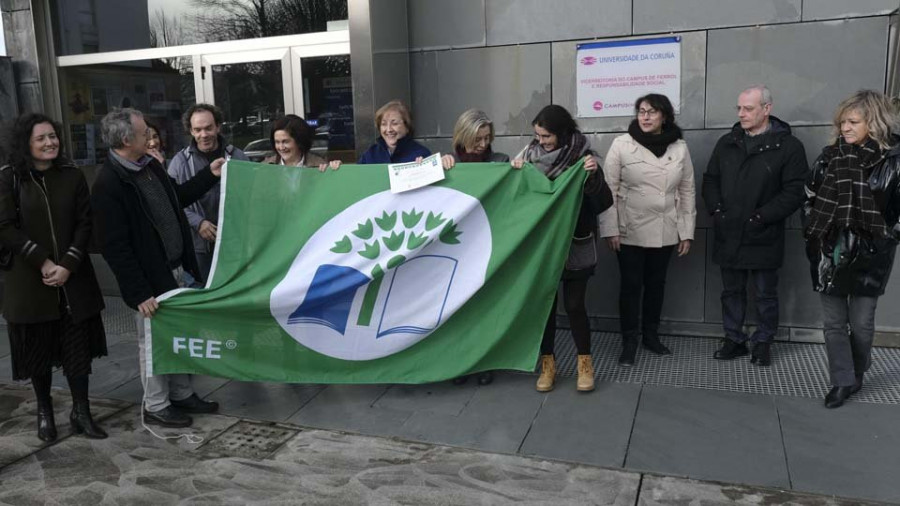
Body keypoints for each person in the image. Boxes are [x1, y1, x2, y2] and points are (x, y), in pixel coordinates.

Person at [91, 108, 224, 428]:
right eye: (143, 133)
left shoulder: (149, 165)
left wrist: (210, 174)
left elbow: (176, 197)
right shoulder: (109, 183)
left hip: (175, 271)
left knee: (176, 337)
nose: (150, 137)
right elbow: (115, 247)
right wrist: (139, 292)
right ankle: (156, 404)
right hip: (150, 282)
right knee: (152, 343)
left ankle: (180, 394)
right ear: (126, 139)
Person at [0, 113, 108, 441]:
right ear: (26, 143)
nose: (50, 143)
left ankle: (81, 411)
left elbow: (84, 223)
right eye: (41, 138)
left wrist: (68, 264)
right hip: (30, 282)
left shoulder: (71, 175)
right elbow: (5, 227)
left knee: (77, 350)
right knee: (39, 352)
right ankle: (45, 411)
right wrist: (45, 263)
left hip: (73, 280)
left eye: (53, 136)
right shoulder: (8, 178)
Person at [803, 90, 900, 408]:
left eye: (853, 121)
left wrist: (886, 237)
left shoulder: (894, 161)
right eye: (842, 121)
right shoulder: (829, 157)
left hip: (871, 253)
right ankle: (842, 381)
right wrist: (814, 233)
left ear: (874, 122)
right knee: (833, 322)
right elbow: (809, 197)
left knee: (861, 323)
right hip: (829, 248)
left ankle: (857, 371)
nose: (845, 127)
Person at [701, 85, 807, 366]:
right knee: (731, 292)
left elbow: (795, 190)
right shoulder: (727, 142)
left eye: (748, 108)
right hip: (729, 231)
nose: (741, 113)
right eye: (739, 108)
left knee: (765, 294)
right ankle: (734, 339)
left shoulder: (788, 146)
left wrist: (762, 217)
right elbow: (710, 179)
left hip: (764, 233)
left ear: (767, 109)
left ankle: (763, 342)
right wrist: (717, 211)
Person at [512, 104, 612, 393]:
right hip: (542, 246)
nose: (540, 141)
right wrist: (515, 173)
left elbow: (603, 203)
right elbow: (517, 198)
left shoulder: (585, 159)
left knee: (574, 305)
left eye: (546, 136)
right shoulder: (528, 157)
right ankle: (548, 364)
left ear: (562, 132)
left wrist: (592, 177)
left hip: (575, 243)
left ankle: (584, 364)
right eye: (538, 135)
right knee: (545, 307)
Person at [600, 94, 696, 366]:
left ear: (664, 116)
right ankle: (629, 339)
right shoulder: (621, 145)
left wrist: (686, 231)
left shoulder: (679, 147)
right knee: (631, 286)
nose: (645, 117)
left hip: (666, 228)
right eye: (641, 111)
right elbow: (609, 189)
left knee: (656, 285)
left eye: (652, 112)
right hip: (629, 228)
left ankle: (650, 336)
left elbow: (687, 189)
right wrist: (610, 229)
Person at [440, 109, 510, 386]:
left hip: (487, 242)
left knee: (483, 307)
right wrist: (429, 165)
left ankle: (483, 361)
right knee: (456, 309)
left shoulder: (500, 161)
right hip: (455, 246)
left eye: (487, 138)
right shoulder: (446, 162)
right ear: (463, 136)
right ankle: (458, 363)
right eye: (478, 139)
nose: (483, 144)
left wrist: (516, 171)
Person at [167, 104, 249, 282]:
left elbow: (252, 196)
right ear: (190, 130)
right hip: (199, 247)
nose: (203, 135)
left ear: (218, 126)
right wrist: (198, 222)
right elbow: (171, 202)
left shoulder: (238, 157)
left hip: (234, 243)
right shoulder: (179, 162)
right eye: (197, 129)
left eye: (208, 128)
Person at [358, 100, 431, 164]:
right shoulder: (370, 155)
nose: (389, 129)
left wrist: (424, 167)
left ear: (407, 127)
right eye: (384, 124)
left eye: (394, 123)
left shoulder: (421, 154)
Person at [264, 114, 340, 171]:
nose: (281, 147)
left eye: (285, 142)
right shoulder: (265, 167)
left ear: (299, 140)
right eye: (277, 142)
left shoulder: (320, 165)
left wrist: (337, 170)